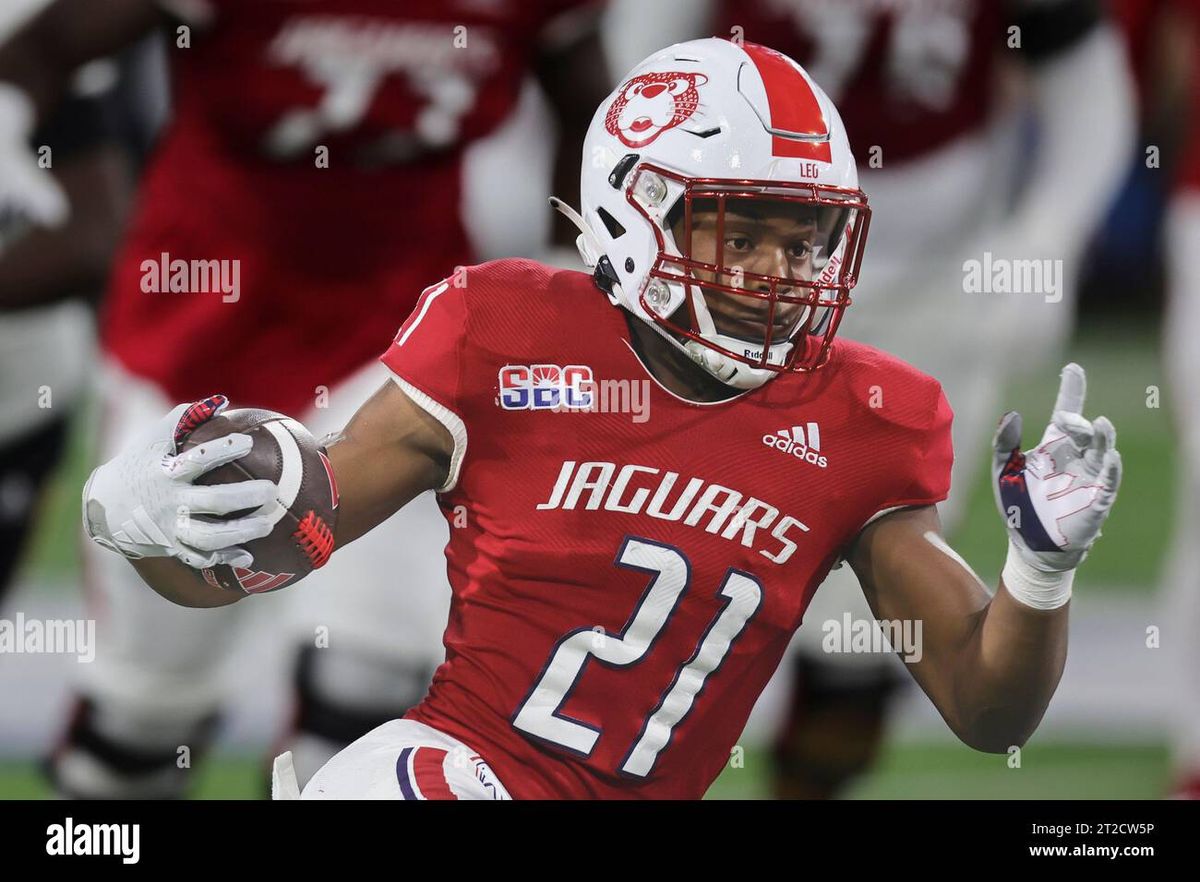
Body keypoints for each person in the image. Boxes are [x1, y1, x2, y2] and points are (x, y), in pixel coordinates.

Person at [81, 38, 1122, 799]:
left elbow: (989, 713)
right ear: (632, 208)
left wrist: (1041, 570)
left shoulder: (863, 418)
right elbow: (283, 541)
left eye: (804, 241)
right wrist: (130, 522)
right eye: (739, 233)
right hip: (450, 773)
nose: (777, 274)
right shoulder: (503, 329)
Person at [0, 0, 610, 797]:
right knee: (139, 722)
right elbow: (46, 45)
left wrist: (572, 285)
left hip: (397, 337)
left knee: (368, 689)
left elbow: (588, 106)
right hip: (198, 334)